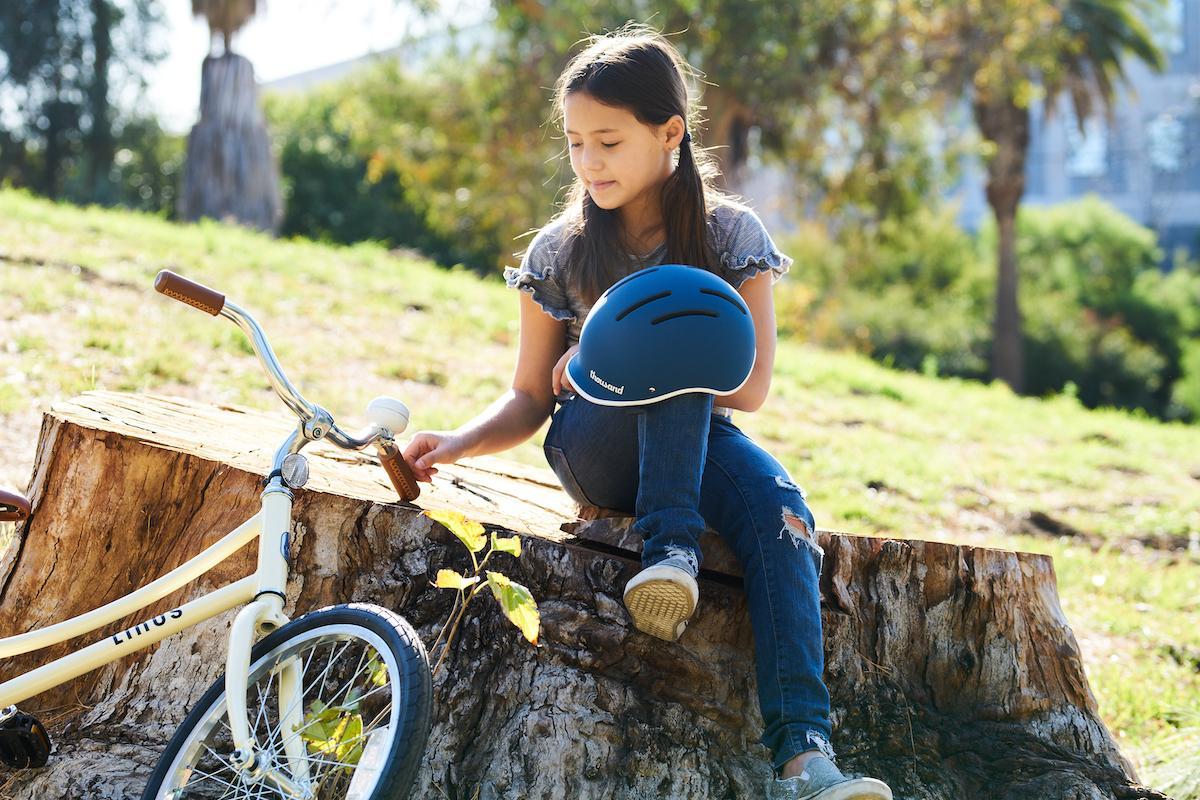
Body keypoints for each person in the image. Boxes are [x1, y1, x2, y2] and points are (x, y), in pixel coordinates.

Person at [400, 25, 893, 800]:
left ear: (670, 134)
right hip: (593, 444)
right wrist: (457, 443)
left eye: (608, 141)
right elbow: (532, 397)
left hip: (699, 435)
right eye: (575, 144)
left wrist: (624, 350)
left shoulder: (731, 233)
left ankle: (805, 763)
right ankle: (671, 554)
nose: (589, 163)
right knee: (676, 336)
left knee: (783, 516)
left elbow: (752, 386)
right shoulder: (560, 251)